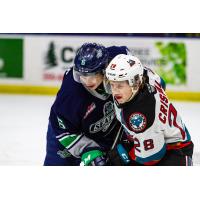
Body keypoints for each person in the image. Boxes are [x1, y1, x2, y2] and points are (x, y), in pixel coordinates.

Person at [44, 43, 130, 166]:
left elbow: (132, 62)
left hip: (103, 130)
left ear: (104, 69)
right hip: (67, 134)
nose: (87, 81)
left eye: (92, 75)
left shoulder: (117, 57)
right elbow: (63, 130)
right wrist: (88, 150)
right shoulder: (71, 94)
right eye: (82, 75)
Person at [105, 54, 194, 166]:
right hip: (165, 135)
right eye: (112, 85)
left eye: (120, 86)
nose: (115, 91)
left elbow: (151, 158)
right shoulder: (146, 75)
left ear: (135, 83)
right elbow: (162, 82)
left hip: (176, 149)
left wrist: (126, 154)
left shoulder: (139, 116)